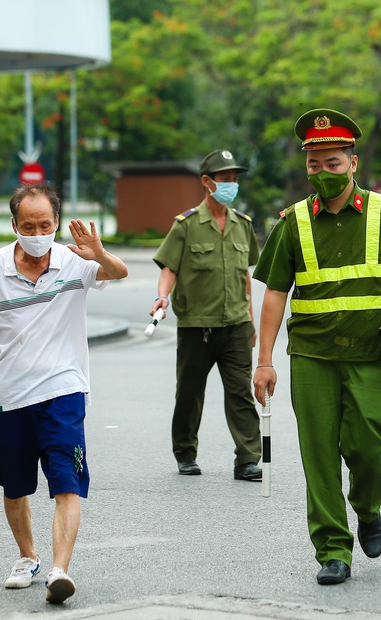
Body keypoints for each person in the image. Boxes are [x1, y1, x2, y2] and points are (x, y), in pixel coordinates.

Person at [252, 108, 381, 585]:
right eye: (314, 165)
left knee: (370, 448)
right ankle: (333, 549)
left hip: (370, 355)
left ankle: (369, 507)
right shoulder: (292, 223)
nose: (323, 173)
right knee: (318, 455)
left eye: (332, 163)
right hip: (312, 356)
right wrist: (264, 360)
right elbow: (275, 293)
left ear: (352, 163)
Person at [0, 183, 128, 604]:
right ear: (15, 226)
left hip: (64, 388)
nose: (38, 232)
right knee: (14, 487)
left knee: (66, 482)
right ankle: (28, 557)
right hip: (8, 393)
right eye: (29, 225)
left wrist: (98, 254)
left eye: (46, 224)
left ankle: (60, 570)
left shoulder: (72, 260)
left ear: (57, 222)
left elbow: (119, 273)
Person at [151, 149, 262, 481]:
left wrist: (251, 321)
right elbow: (170, 267)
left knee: (240, 392)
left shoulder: (243, 225)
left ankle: (247, 459)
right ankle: (185, 452)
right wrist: (161, 297)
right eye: (225, 179)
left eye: (234, 179)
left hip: (236, 325)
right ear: (206, 182)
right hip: (196, 326)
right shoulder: (185, 225)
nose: (231, 184)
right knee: (189, 392)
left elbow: (245, 277)